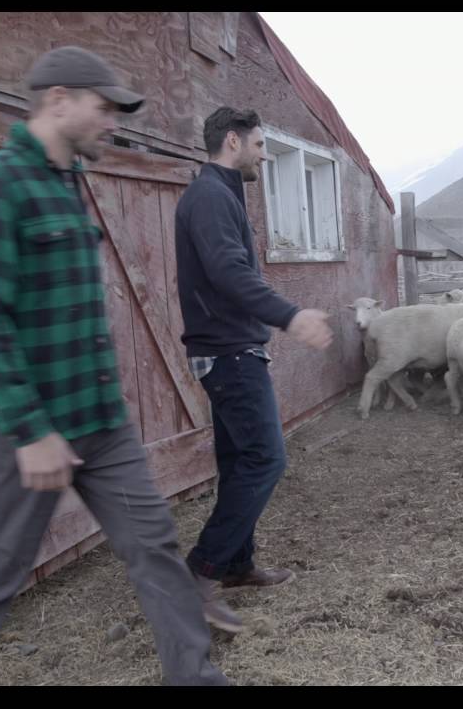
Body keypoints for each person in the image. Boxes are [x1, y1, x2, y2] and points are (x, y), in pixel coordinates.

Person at [0, 46, 226, 686]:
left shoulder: (68, 181)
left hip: (100, 418)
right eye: (104, 108)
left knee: (155, 546)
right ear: (58, 100)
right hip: (31, 427)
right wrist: (32, 432)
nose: (112, 122)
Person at [173, 107, 334, 633]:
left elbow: (231, 270)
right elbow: (228, 272)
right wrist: (290, 315)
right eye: (261, 146)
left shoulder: (220, 195)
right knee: (266, 458)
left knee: (240, 459)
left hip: (230, 348)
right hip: (229, 352)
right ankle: (200, 572)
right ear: (233, 141)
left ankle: (236, 564)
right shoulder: (210, 197)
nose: (265, 157)